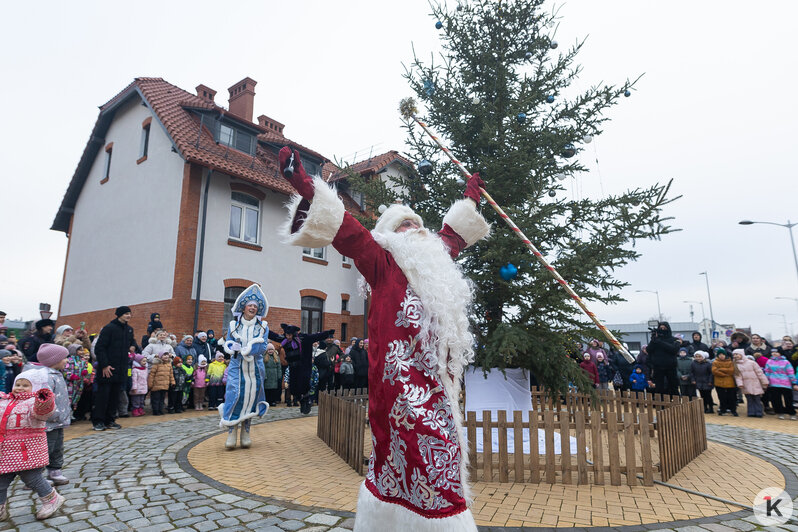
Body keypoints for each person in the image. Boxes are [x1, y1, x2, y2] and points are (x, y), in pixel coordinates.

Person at [278, 146, 490, 530]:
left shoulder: (436, 255)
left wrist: (471, 197)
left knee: (440, 457)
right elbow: (348, 232)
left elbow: (453, 235)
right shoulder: (381, 260)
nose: (415, 231)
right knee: (404, 458)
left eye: (417, 225)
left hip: (438, 385)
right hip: (398, 391)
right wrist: (307, 187)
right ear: (391, 236)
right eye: (404, 226)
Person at [220, 284, 284, 450]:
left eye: (255, 306)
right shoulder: (234, 325)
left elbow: (263, 347)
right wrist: (232, 347)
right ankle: (231, 430)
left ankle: (245, 431)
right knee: (234, 394)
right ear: (244, 307)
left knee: (251, 398)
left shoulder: (263, 326)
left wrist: (249, 349)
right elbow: (228, 342)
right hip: (236, 366)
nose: (253, 308)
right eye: (250, 305)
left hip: (255, 368)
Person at [0, 370, 64, 521]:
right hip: (6, 450)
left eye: (25, 385)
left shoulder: (33, 402)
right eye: (18, 384)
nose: (20, 388)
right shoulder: (5, 401)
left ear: (35, 387)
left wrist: (44, 398)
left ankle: (52, 499)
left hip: (28, 450)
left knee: (32, 478)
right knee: (1, 480)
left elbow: (43, 412)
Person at [24, 344, 72, 486]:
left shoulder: (56, 373)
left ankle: (55, 471)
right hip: (48, 421)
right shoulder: (45, 377)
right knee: (45, 448)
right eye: (64, 358)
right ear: (54, 360)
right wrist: (53, 414)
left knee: (57, 447)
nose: (67, 361)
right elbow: (43, 399)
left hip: (58, 420)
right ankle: (34, 478)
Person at [92, 307, 137, 431]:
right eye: (126, 313)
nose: (129, 316)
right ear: (119, 315)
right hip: (108, 368)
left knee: (115, 396)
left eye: (130, 313)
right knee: (103, 396)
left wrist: (133, 346)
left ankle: (110, 420)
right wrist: (105, 365)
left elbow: (132, 341)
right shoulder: (109, 328)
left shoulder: (129, 329)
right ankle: (98, 421)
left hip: (121, 368)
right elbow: (100, 348)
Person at [279, 324, 334, 413]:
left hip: (304, 365)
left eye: (290, 335)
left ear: (294, 334)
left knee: (304, 385)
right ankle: (302, 400)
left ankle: (306, 400)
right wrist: (264, 329)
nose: (288, 337)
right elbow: (274, 336)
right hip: (293, 367)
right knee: (294, 388)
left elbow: (316, 336)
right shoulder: (285, 340)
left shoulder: (304, 338)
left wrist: (327, 333)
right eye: (287, 335)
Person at [646, 322, 680, 396]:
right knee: (659, 386)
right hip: (658, 366)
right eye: (661, 328)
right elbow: (648, 350)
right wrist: (653, 340)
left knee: (673, 385)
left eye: (664, 328)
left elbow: (674, 350)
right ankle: (660, 403)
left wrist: (660, 342)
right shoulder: (655, 340)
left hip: (670, 366)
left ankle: (675, 401)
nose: (662, 329)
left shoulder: (675, 340)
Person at [764, 348, 798, 420]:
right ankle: (780, 412)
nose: (774, 354)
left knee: (788, 400)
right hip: (773, 383)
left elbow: (790, 372)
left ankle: (792, 413)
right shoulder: (769, 361)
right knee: (776, 400)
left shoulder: (786, 362)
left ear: (780, 353)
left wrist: (794, 382)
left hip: (785, 383)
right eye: (773, 352)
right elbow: (767, 371)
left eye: (776, 352)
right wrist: (766, 381)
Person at [733, 349, 768, 417]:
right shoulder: (736, 365)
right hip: (746, 384)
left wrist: (764, 381)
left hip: (755, 383)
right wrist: (740, 384)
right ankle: (751, 412)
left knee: (757, 399)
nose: (735, 356)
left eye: (737, 354)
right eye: (734, 355)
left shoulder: (751, 363)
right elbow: (738, 376)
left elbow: (759, 372)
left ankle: (759, 412)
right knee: (749, 399)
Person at [62, 344, 87, 416]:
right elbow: (64, 370)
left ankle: (71, 413)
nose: (82, 352)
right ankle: (66, 414)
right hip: (70, 384)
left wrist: (84, 371)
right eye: (80, 350)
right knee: (68, 397)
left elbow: (84, 367)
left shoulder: (82, 360)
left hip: (79, 383)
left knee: (76, 397)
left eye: (82, 350)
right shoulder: (69, 360)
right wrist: (70, 376)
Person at [711, 349, 737, 416]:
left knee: (731, 397)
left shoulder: (730, 362)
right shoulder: (715, 362)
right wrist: (724, 374)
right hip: (719, 382)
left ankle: (733, 410)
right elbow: (714, 371)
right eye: (720, 355)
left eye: (723, 354)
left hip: (730, 383)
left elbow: (732, 370)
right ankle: (723, 410)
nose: (721, 356)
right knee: (722, 397)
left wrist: (721, 369)